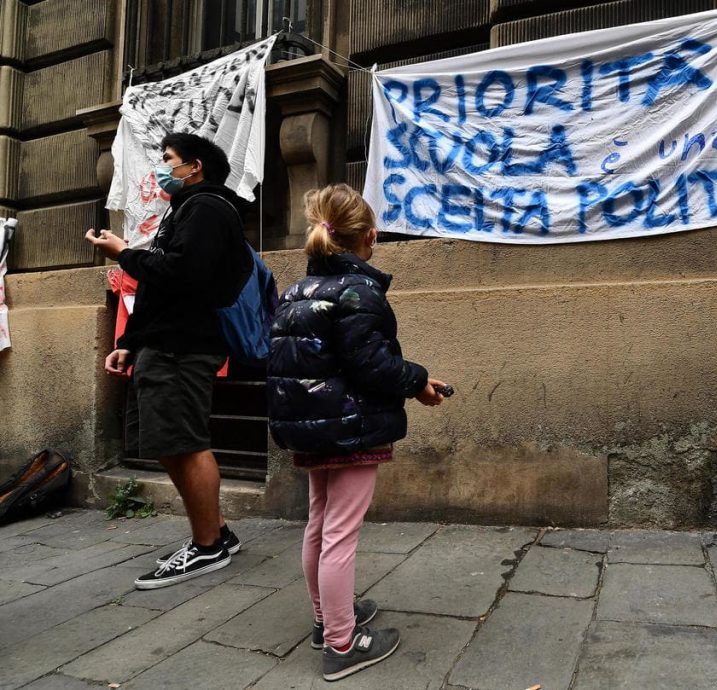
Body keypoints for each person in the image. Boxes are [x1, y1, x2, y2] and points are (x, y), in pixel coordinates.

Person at [267, 183, 447, 681]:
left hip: (310, 428)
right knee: (340, 534)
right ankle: (344, 645)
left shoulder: (296, 291)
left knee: (319, 526)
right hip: (351, 427)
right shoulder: (359, 291)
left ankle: (328, 621)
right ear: (370, 237)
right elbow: (374, 365)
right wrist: (419, 381)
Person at [86, 133, 252, 589]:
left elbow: (183, 275)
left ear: (193, 166)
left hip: (183, 346)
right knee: (168, 440)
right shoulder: (185, 210)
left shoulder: (207, 209)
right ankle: (215, 530)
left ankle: (207, 547)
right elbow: (163, 288)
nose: (162, 168)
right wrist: (133, 341)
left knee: (185, 440)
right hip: (165, 343)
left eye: (168, 160)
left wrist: (125, 254)